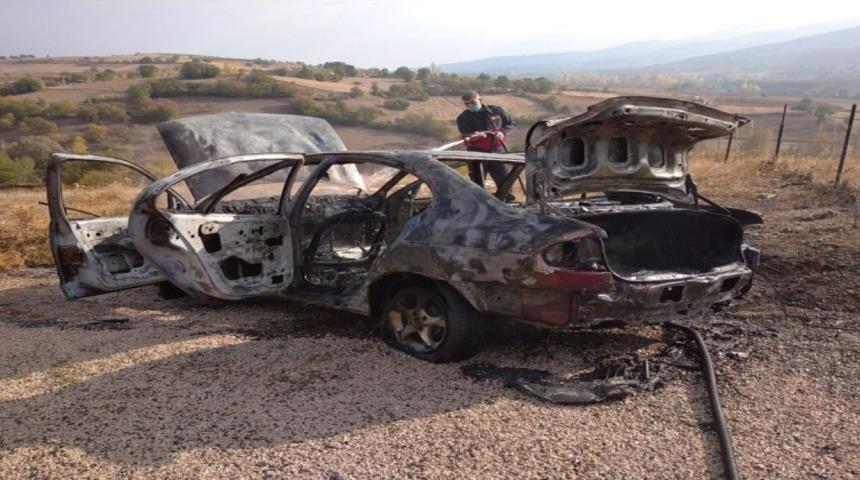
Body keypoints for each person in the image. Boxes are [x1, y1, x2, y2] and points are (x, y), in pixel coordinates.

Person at [456, 91, 515, 190]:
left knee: (505, 182)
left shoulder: (497, 111)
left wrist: (502, 132)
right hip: (476, 153)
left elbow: (510, 124)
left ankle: (507, 202)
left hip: (498, 152)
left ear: (480, 100)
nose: (470, 105)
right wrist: (474, 135)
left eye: (473, 103)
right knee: (477, 185)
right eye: (467, 104)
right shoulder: (463, 118)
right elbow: (466, 133)